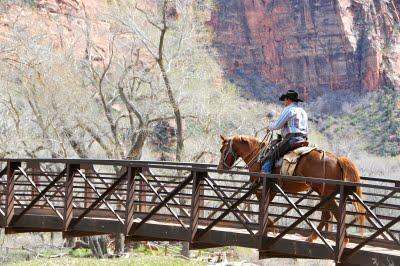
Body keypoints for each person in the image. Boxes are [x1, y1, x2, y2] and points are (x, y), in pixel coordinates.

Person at [261, 89, 309, 174]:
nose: (284, 102)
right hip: (304, 139)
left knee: (271, 154)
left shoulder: (289, 110)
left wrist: (269, 127)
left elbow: (277, 125)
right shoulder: (303, 112)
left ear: (288, 99)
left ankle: (265, 176)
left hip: (292, 139)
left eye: (285, 100)